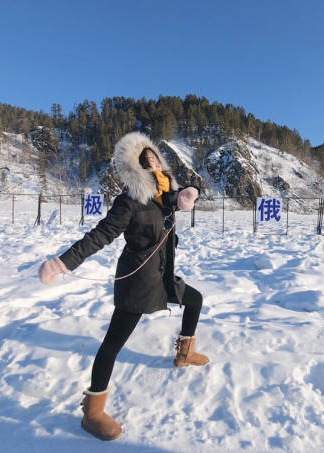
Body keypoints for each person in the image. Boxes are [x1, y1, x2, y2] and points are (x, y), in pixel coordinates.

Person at [38, 132, 208, 441]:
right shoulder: (129, 202)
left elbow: (187, 195)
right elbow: (99, 236)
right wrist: (63, 263)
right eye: (147, 161)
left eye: (156, 158)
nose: (154, 164)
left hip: (163, 277)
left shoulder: (166, 196)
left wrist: (190, 192)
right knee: (113, 344)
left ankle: (184, 354)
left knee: (194, 300)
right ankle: (92, 412)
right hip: (137, 282)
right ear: (136, 169)